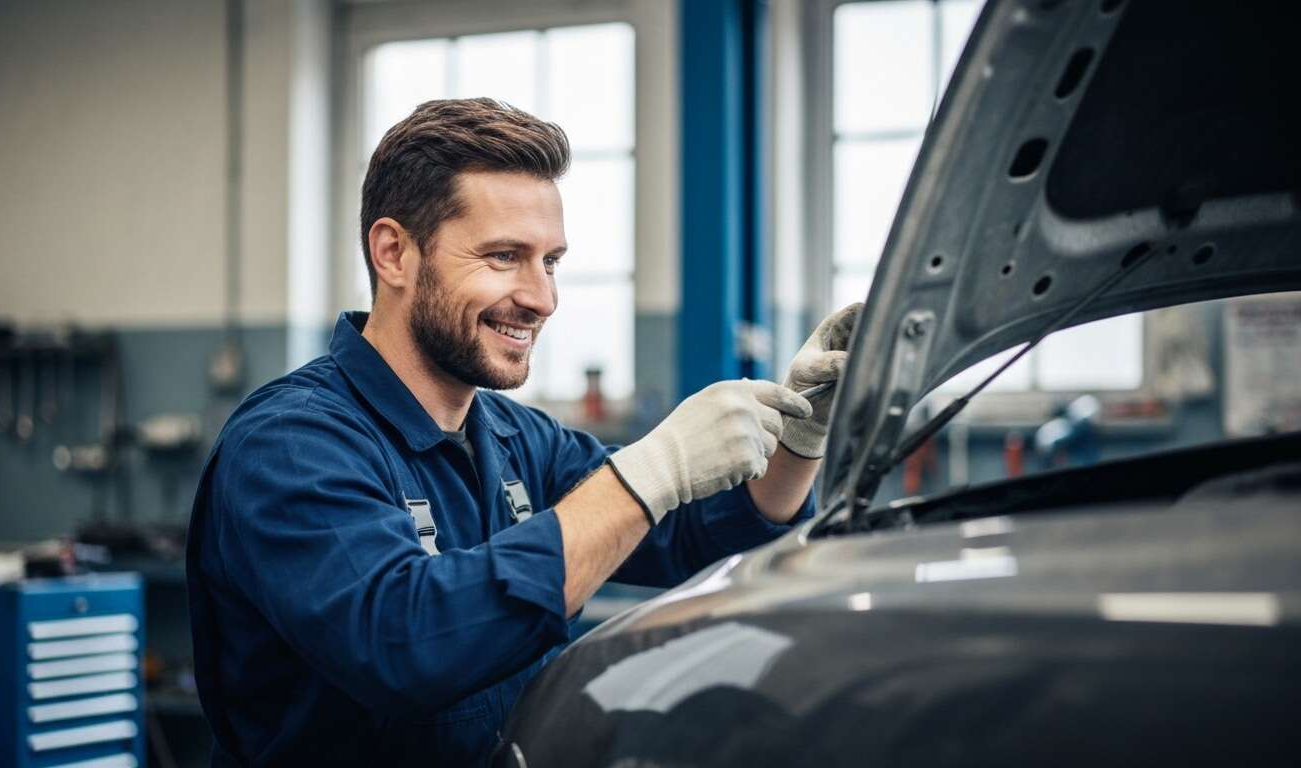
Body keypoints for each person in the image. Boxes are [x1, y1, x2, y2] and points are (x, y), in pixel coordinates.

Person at [186, 97, 861, 767]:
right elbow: (405, 644)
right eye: (505, 256)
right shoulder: (291, 443)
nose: (542, 297)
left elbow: (694, 535)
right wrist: (651, 471)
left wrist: (802, 432)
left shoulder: (516, 438)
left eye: (552, 261)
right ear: (394, 253)